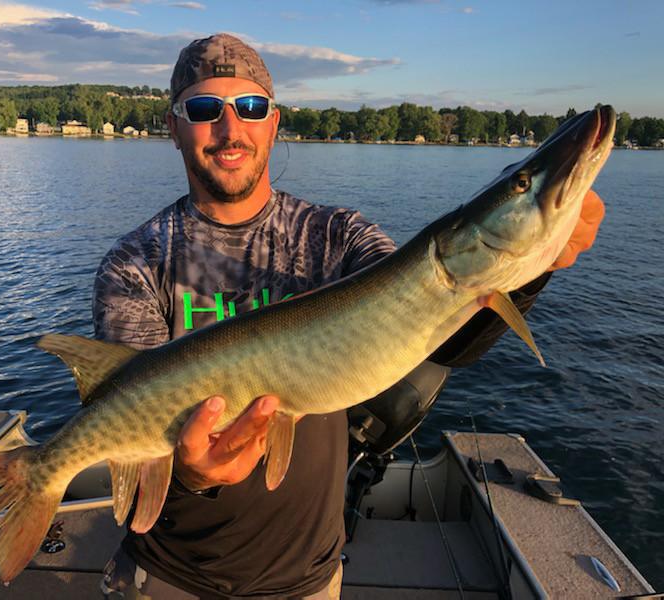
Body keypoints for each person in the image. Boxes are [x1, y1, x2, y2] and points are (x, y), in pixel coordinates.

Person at [93, 33, 605, 599]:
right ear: (173, 126)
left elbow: (447, 344)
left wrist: (533, 269)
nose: (230, 127)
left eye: (251, 107)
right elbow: (128, 427)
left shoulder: (337, 236)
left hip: (309, 579)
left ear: (273, 122)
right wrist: (194, 477)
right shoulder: (135, 264)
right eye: (204, 108)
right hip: (171, 576)